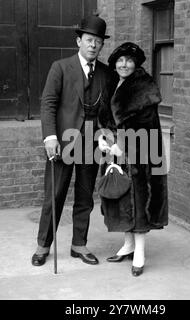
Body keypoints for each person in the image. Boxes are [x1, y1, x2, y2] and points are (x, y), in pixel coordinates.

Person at [32, 15, 110, 266]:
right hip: (62, 142)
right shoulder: (61, 67)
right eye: (89, 40)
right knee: (54, 195)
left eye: (98, 41)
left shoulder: (106, 73)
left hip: (92, 144)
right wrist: (50, 137)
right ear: (79, 41)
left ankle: (79, 244)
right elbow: (48, 104)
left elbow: (108, 110)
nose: (93, 45)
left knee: (85, 197)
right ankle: (43, 246)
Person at [97, 42, 168, 276]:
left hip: (138, 156)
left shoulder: (143, 88)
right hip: (114, 153)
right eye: (120, 60)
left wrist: (123, 146)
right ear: (114, 63)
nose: (123, 65)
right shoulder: (112, 83)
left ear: (135, 63)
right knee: (121, 200)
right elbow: (104, 120)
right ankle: (127, 246)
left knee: (138, 203)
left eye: (128, 60)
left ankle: (139, 253)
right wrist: (102, 139)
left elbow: (146, 127)